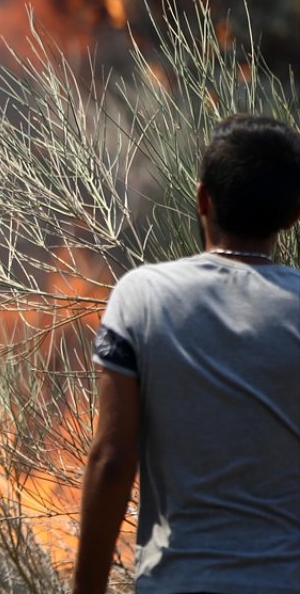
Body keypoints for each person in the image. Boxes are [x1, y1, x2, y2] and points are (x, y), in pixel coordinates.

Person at [72, 114, 300, 594]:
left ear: (202, 199)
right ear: (293, 214)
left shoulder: (142, 296)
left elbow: (112, 461)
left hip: (180, 581)